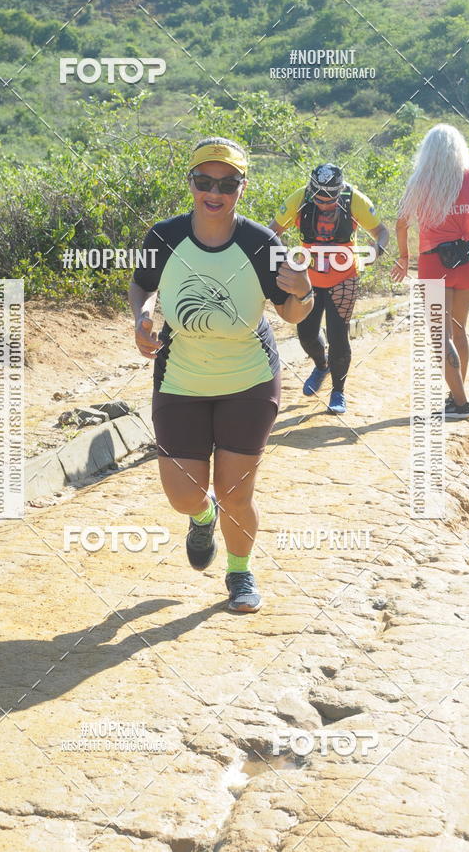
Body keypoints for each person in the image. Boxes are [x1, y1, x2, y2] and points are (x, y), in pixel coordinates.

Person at [128, 137, 313, 612]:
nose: (215, 192)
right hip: (180, 378)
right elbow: (143, 286)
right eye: (204, 181)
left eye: (227, 183)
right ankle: (202, 516)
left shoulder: (261, 243)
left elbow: (292, 314)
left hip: (248, 380)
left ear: (241, 187)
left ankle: (240, 573)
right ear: (190, 183)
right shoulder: (164, 236)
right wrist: (141, 319)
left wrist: (305, 291)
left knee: (236, 490)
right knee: (183, 495)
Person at [391, 123, 469, 421]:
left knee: (439, 335)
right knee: (459, 330)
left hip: (433, 264)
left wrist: (404, 257)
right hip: (468, 263)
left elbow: (401, 223)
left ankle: (460, 403)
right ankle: (456, 395)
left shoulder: (420, 181)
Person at [268, 163, 389, 414]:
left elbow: (381, 232)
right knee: (306, 334)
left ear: (340, 191)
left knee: (338, 335)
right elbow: (272, 231)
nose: (324, 204)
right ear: (312, 190)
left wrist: (376, 252)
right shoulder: (300, 199)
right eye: (319, 198)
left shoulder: (354, 199)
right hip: (308, 278)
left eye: (330, 199)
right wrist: (283, 260)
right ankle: (322, 366)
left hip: (343, 278)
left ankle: (338, 391)